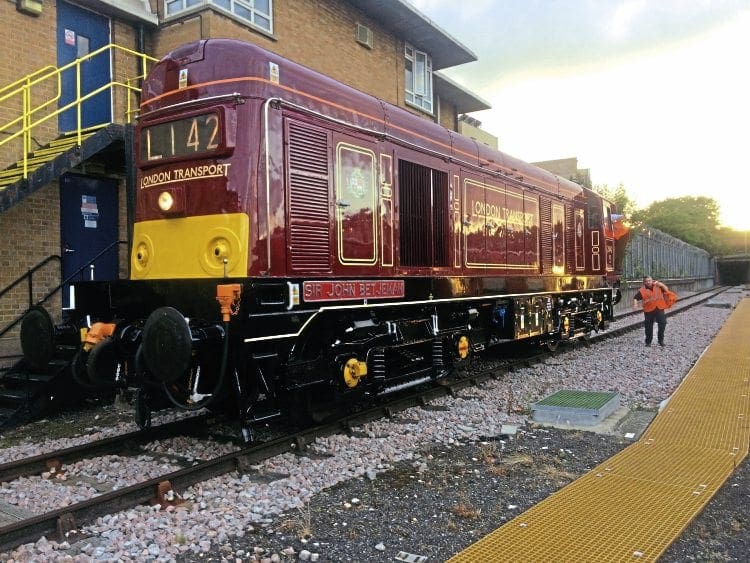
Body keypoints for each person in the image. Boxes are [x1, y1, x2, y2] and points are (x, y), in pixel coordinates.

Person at [632, 276, 670, 347]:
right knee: (648, 326)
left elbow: (666, 290)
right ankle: (648, 342)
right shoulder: (642, 290)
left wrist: (661, 284)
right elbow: (635, 298)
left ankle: (660, 340)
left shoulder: (658, 286)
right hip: (648, 310)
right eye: (646, 281)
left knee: (663, 323)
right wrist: (635, 304)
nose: (648, 282)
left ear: (652, 280)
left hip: (659, 308)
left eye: (649, 280)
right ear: (644, 282)